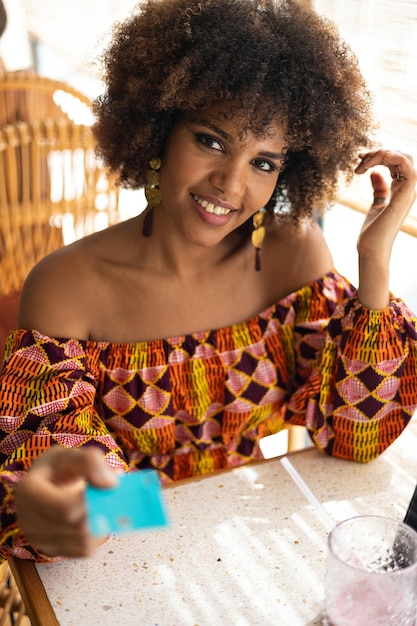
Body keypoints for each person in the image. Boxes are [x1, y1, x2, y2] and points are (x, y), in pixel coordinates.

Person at [0, 0, 416, 563]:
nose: (230, 184)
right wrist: (64, 505)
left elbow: (354, 438)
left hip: (252, 544)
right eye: (212, 141)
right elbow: (55, 517)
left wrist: (374, 259)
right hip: (127, 558)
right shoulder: (67, 286)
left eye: (264, 163)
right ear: (158, 131)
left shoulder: (293, 256)